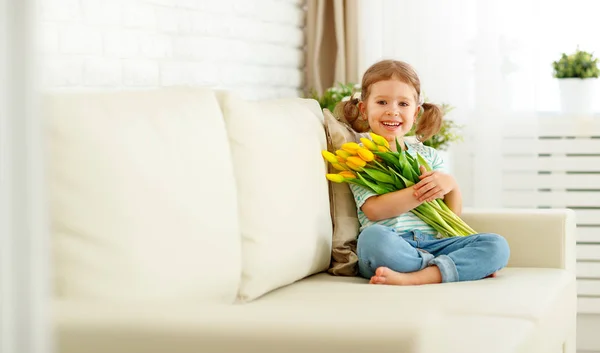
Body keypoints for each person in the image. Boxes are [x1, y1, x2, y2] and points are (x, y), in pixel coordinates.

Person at [335, 59, 509, 286]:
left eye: (403, 104)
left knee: (497, 245)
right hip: (393, 245)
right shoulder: (360, 157)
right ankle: (446, 269)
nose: (392, 111)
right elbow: (374, 211)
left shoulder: (429, 156)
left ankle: (417, 276)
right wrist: (419, 192)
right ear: (364, 108)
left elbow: (451, 216)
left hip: (435, 243)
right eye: (382, 102)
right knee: (371, 238)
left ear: (416, 112)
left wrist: (451, 184)